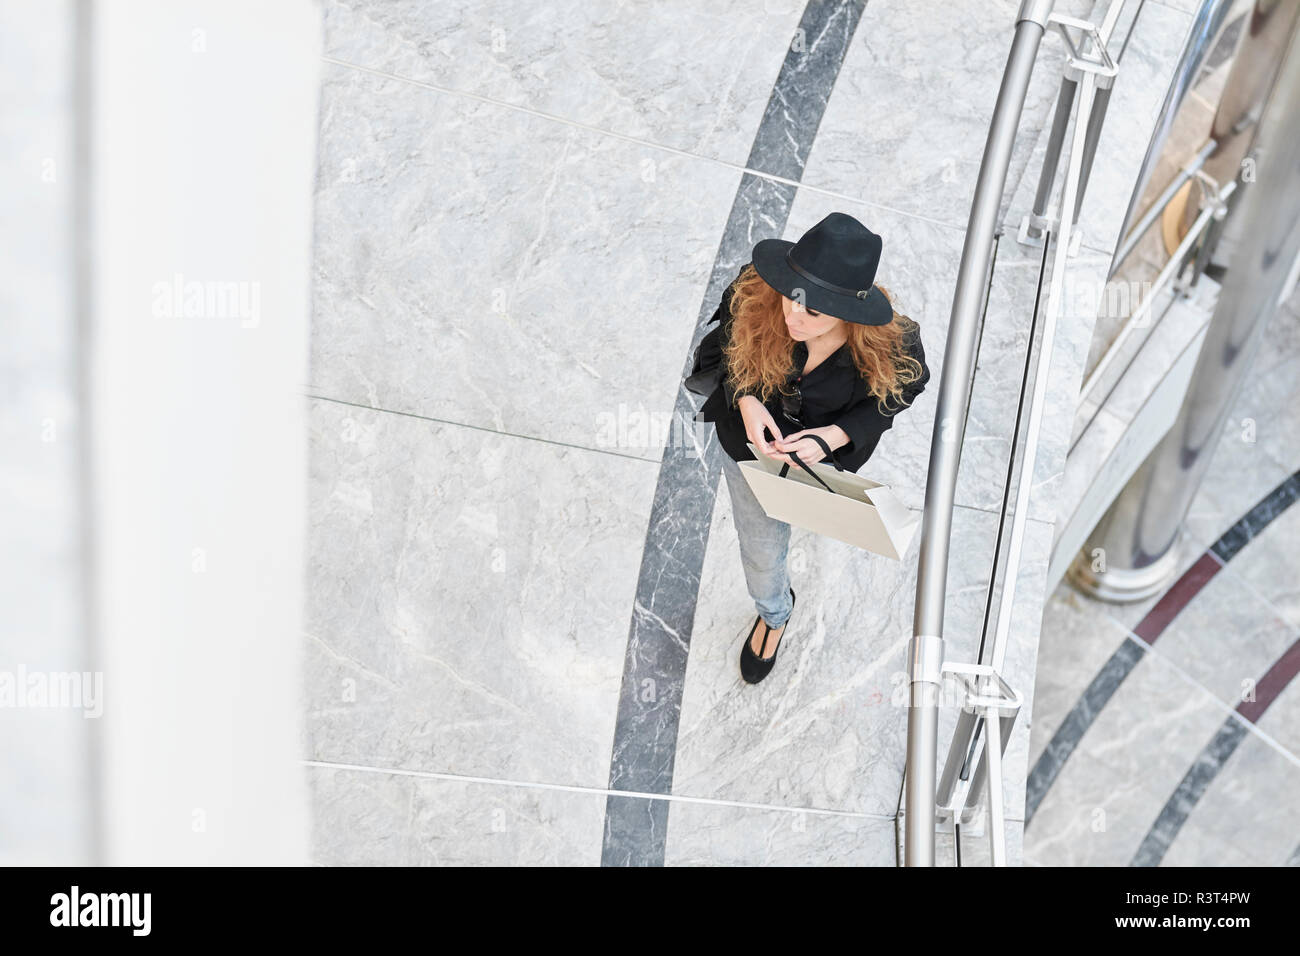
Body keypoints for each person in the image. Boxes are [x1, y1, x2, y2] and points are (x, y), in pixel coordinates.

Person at [695, 211, 930, 684]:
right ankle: (774, 613)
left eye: (814, 312)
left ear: (848, 312)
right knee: (762, 549)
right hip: (750, 450)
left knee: (802, 516)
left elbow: (904, 391)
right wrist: (744, 399)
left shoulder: (893, 344)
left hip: (822, 465)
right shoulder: (756, 290)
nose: (792, 315)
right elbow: (723, 347)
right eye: (792, 298)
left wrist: (834, 436)